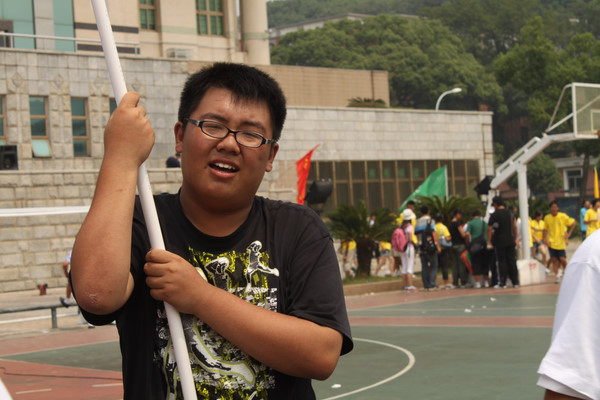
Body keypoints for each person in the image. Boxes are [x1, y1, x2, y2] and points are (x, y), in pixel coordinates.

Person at [70, 63, 353, 399]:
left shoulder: (298, 229)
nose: (230, 144)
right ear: (180, 136)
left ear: (270, 155)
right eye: (213, 126)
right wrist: (120, 158)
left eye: (250, 134)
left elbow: (320, 355)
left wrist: (200, 297)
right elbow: (96, 296)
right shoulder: (141, 222)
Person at [537, 227, 600, 399]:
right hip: (555, 245)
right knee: (555, 260)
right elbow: (570, 385)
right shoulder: (594, 256)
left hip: (560, 244)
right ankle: (556, 273)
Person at [487, 196, 519, 288]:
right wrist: (515, 238)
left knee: (501, 261)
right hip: (511, 240)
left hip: (499, 241)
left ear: (495, 204)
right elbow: (515, 226)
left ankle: (502, 282)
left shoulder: (494, 215)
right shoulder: (511, 213)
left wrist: (489, 241)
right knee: (512, 261)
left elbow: (489, 228)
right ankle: (515, 282)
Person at [544, 200, 575, 284]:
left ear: (558, 208)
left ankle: (566, 271)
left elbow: (573, 223)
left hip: (560, 242)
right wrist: (546, 240)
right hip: (551, 242)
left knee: (562, 259)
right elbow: (545, 230)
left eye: (555, 207)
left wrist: (569, 235)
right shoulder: (547, 218)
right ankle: (557, 276)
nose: (554, 208)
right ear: (550, 208)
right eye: (552, 207)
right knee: (554, 260)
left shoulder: (563, 216)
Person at [415, 205, 440, 290]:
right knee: (434, 266)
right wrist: (437, 246)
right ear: (429, 211)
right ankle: (432, 283)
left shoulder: (417, 222)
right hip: (431, 247)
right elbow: (434, 234)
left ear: (420, 212)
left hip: (421, 248)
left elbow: (416, 234)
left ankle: (426, 285)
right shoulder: (431, 221)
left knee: (424, 266)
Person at [465, 210, 489, 288]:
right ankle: (486, 282)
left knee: (476, 263)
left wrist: (467, 243)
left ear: (472, 216)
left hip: (475, 246)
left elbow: (467, 234)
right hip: (485, 245)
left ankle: (478, 283)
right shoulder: (485, 223)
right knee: (485, 263)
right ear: (480, 216)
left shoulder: (470, 223)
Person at [448, 209, 469, 288]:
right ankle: (463, 282)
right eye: (461, 215)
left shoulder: (450, 224)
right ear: (457, 214)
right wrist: (466, 234)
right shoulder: (457, 223)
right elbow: (462, 234)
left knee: (454, 265)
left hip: (453, 245)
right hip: (460, 245)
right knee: (461, 264)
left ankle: (455, 282)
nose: (461, 217)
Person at [398, 208, 418, 292]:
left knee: (404, 266)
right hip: (409, 247)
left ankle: (404, 285)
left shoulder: (400, 226)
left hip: (402, 248)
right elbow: (410, 239)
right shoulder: (410, 227)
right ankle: (410, 285)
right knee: (410, 266)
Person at [434, 213, 453, 289]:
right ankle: (446, 283)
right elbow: (448, 237)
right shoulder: (443, 227)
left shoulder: (433, 227)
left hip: (434, 249)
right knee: (444, 266)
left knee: (434, 267)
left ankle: (433, 282)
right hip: (443, 249)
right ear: (442, 219)